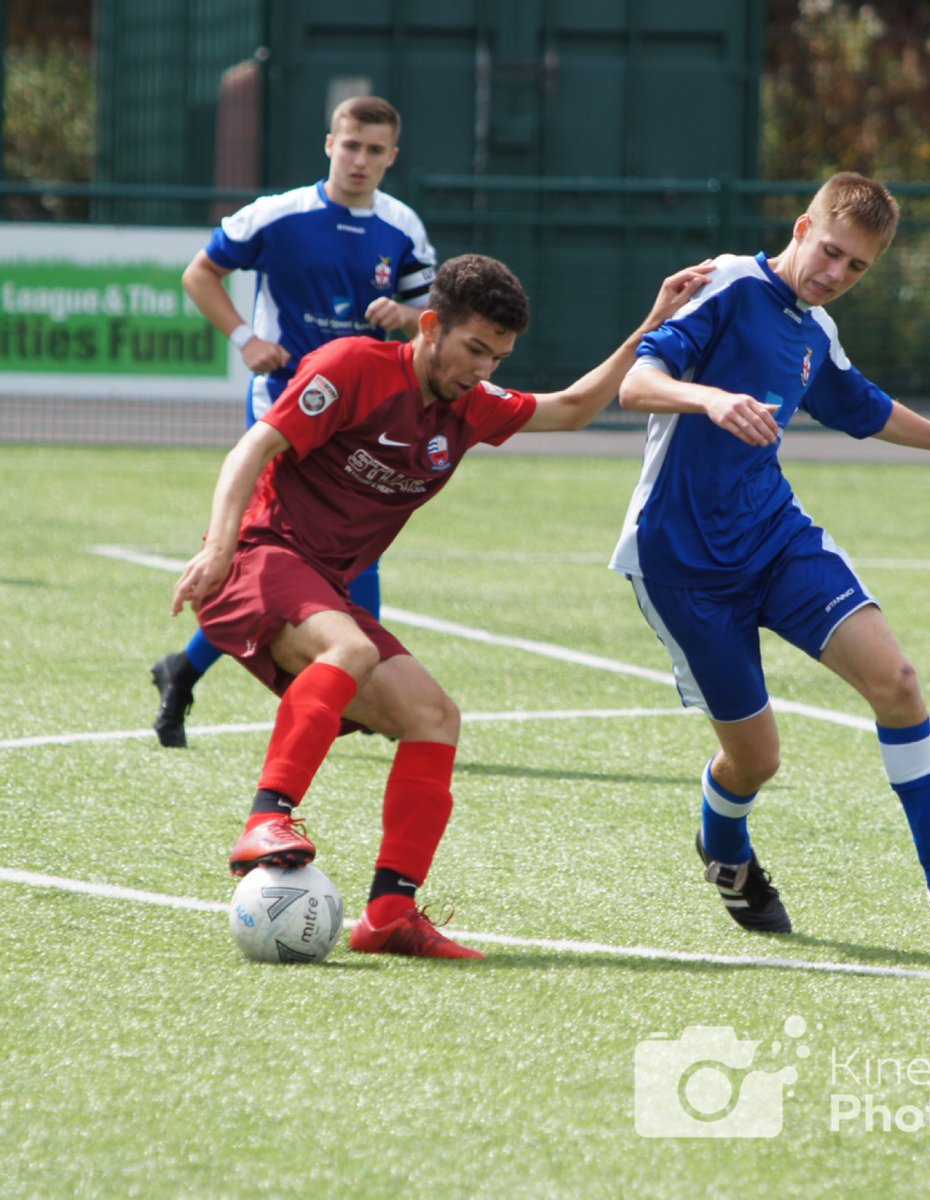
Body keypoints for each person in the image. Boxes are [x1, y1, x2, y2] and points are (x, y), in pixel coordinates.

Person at [170, 253, 713, 959]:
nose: (484, 369)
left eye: (499, 355)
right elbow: (254, 446)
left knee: (434, 717)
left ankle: (391, 912)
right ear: (431, 327)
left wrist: (652, 321)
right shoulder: (351, 366)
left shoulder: (470, 408)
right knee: (352, 649)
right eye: (474, 349)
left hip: (319, 586)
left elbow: (576, 408)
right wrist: (216, 547)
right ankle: (266, 820)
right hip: (257, 557)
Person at [609, 172, 930, 937]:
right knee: (757, 762)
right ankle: (725, 845)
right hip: (682, 563)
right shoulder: (729, 285)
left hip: (774, 537)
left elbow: (865, 408)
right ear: (803, 226)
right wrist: (710, 397)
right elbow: (637, 385)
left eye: (857, 268)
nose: (836, 275)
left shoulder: (815, 330)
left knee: (898, 683)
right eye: (833, 252)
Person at [151, 95, 436, 748]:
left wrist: (410, 318)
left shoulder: (403, 228)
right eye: (350, 144)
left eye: (375, 150)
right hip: (288, 411)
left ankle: (185, 669)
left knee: (343, 553)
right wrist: (246, 338)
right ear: (328, 144)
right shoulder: (278, 215)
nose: (360, 159)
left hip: (363, 419)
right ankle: (352, 693)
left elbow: (434, 315)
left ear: (393, 157)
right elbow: (201, 274)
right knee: (296, 561)